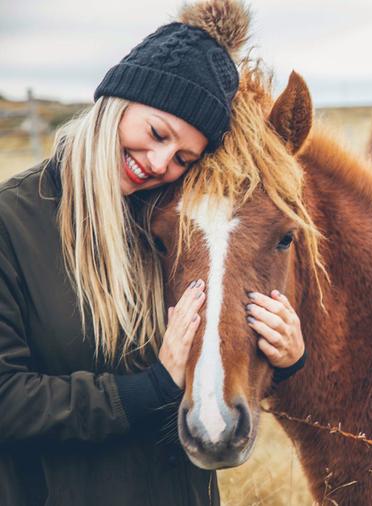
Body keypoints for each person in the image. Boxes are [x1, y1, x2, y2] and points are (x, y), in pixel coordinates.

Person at [0, 1, 306, 505]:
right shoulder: (13, 222)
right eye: (157, 133)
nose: (160, 162)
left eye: (184, 157)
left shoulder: (164, 221)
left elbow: (208, 362)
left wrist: (286, 359)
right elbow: (7, 401)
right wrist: (147, 392)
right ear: (118, 102)